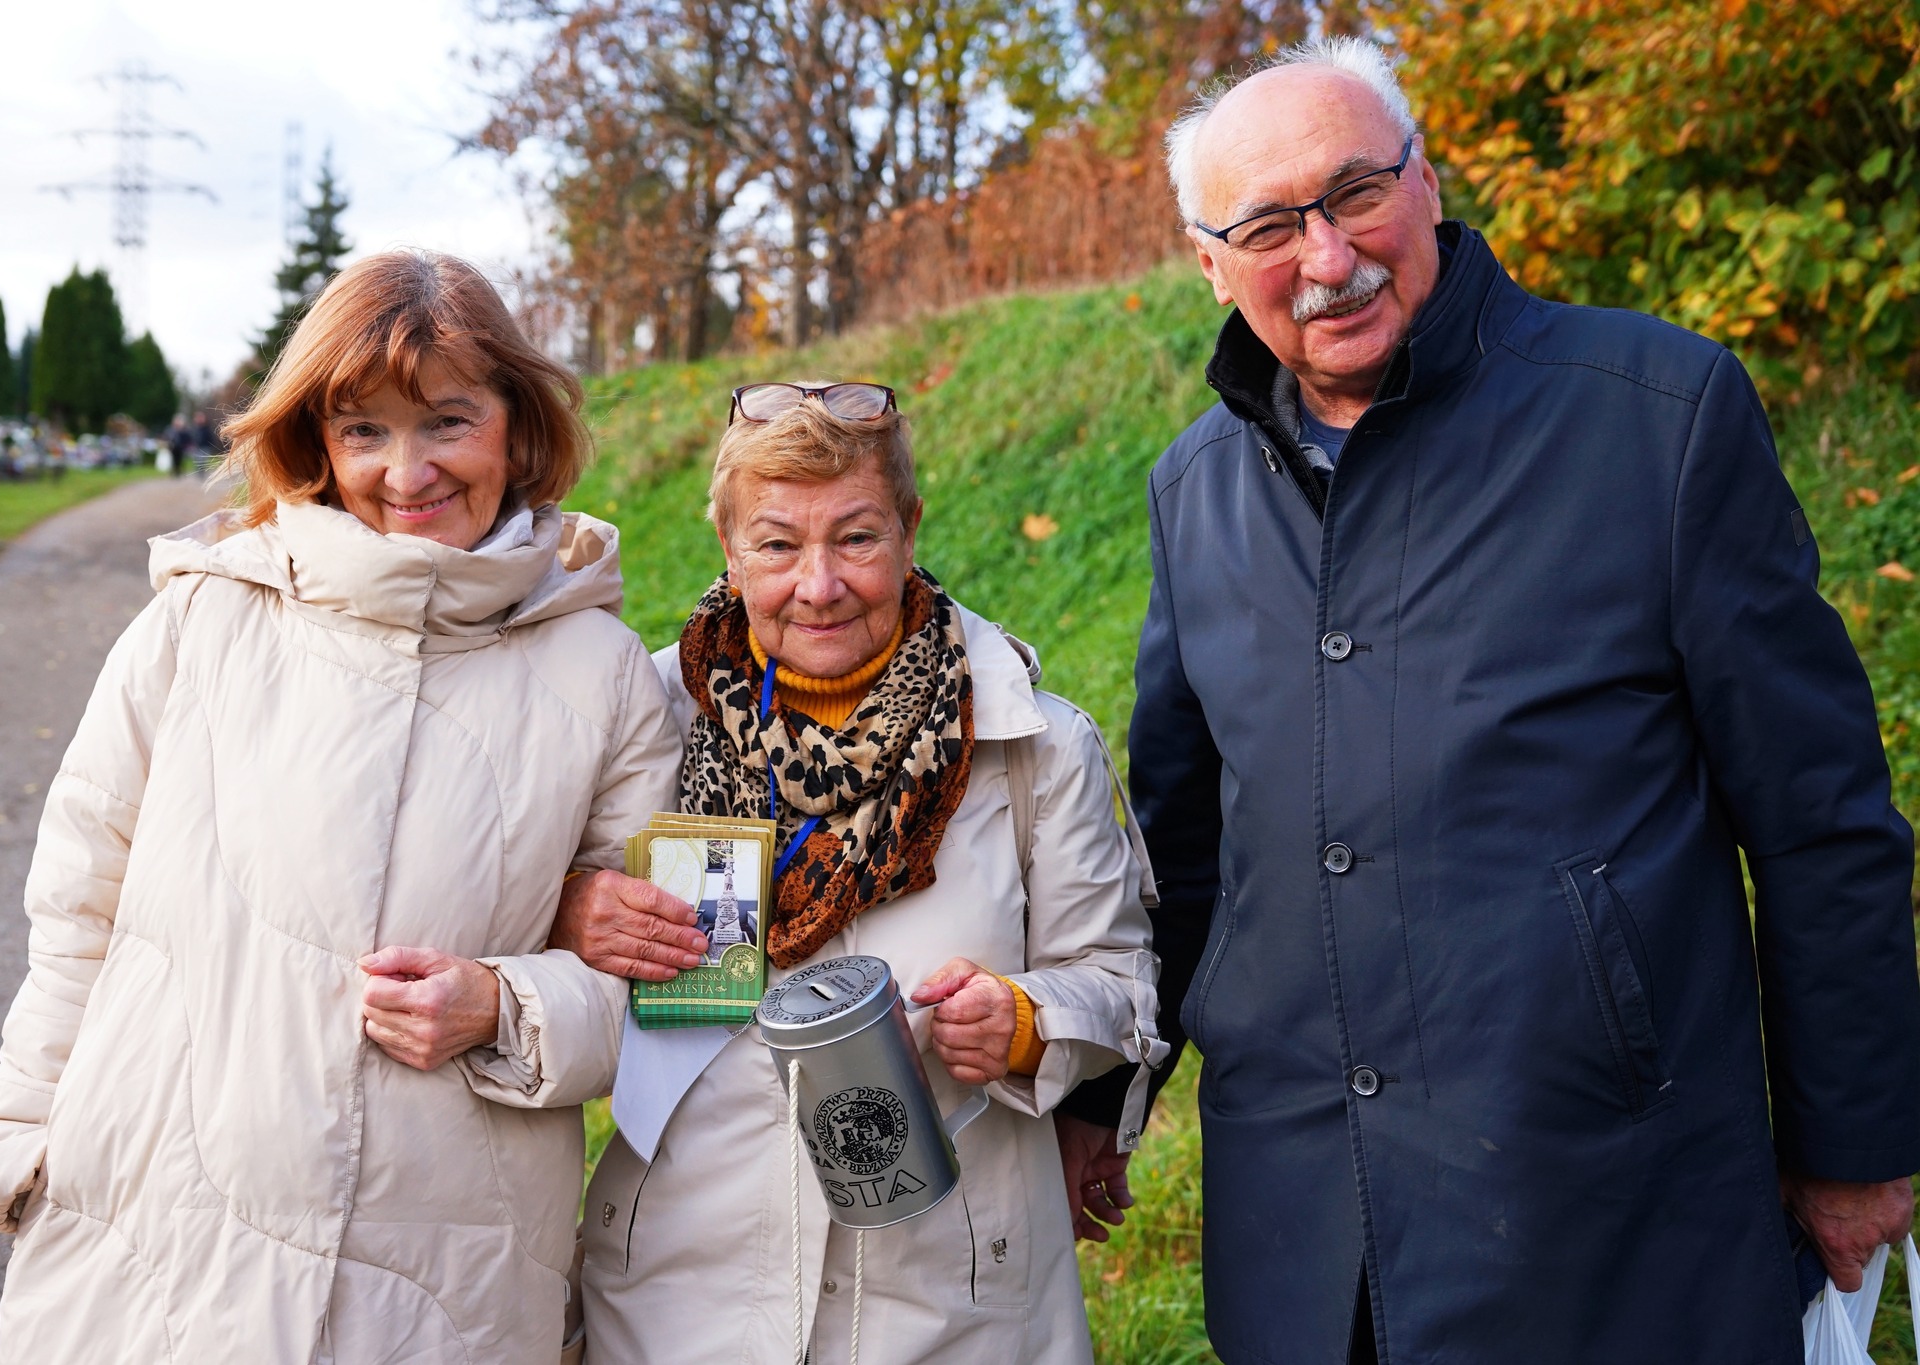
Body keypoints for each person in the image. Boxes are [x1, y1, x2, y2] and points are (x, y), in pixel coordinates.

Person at [1054, 34, 1920, 1365]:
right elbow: (1183, 849)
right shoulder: (1196, 488)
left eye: (1355, 193)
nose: (1328, 256)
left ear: (1427, 181)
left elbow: (1820, 816)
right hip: (1305, 1231)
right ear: (1211, 264)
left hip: (1609, 1214)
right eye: (1271, 226)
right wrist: (1103, 1098)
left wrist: (1853, 1142)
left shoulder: (1655, 412)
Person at [0, 250, 682, 1364]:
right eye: (364, 429)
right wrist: (21, 1131)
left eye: (447, 421)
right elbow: (80, 902)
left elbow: (664, 986)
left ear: (517, 426)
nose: (407, 471)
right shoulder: (200, 619)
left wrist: (506, 1006)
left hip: (448, 1268)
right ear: (316, 440)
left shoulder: (605, 672)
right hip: (154, 1226)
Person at [551, 381, 1162, 1363]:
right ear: (727, 547)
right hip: (682, 1295)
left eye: (857, 537)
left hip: (950, 1306)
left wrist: (1025, 1020)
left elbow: (1123, 987)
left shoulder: (1030, 744)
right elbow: (516, 930)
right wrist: (572, 910)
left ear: (910, 529)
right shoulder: (641, 723)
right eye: (776, 544)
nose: (820, 584)